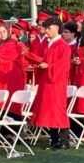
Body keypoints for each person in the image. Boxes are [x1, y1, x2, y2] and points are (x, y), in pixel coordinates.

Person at [31, 16, 74, 150]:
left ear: (56, 28)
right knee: (48, 110)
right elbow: (45, 61)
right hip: (47, 81)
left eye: (48, 28)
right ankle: (54, 139)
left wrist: (48, 66)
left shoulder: (63, 46)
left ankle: (64, 140)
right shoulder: (49, 44)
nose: (46, 31)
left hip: (56, 82)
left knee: (58, 110)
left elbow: (62, 66)